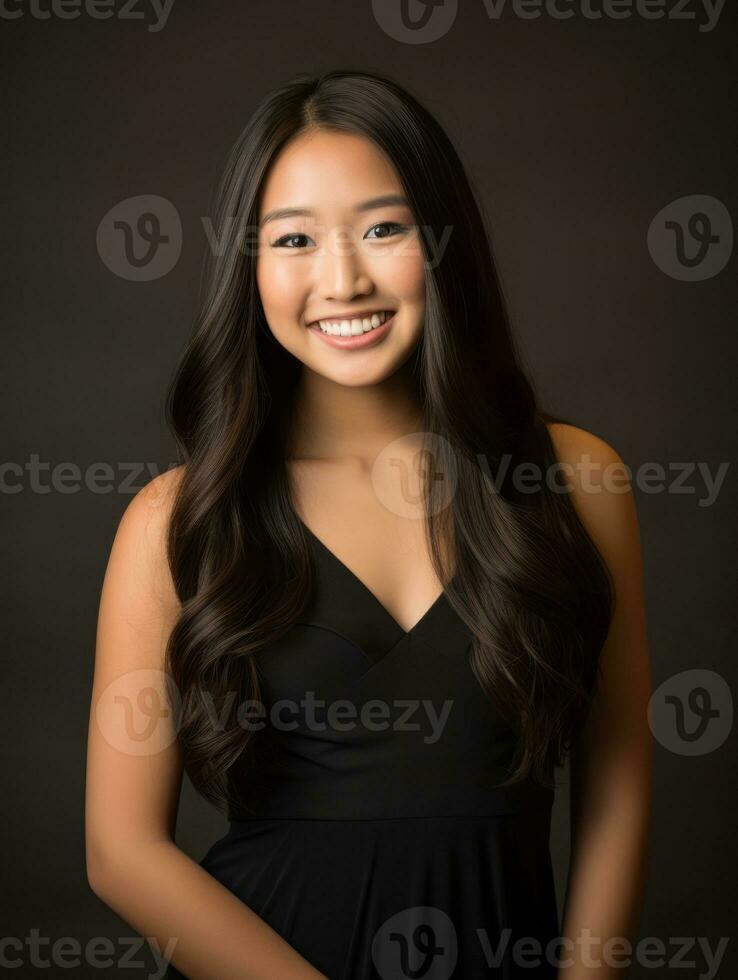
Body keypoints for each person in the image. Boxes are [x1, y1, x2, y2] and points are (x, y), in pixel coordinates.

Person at [85, 69, 653, 979]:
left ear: (444, 243)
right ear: (248, 266)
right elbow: (121, 853)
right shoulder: (176, 521)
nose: (342, 279)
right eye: (295, 239)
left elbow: (618, 781)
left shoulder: (578, 479)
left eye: (384, 228)